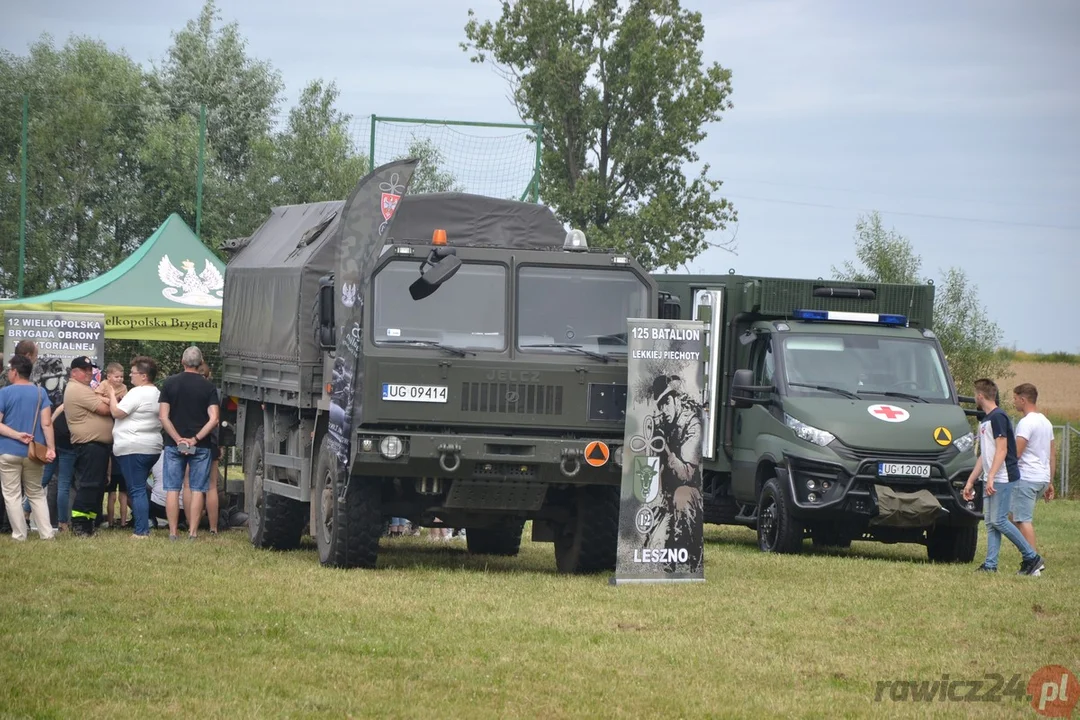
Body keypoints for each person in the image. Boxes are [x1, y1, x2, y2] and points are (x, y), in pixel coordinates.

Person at [962, 378, 1044, 575]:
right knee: (991, 522)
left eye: (975, 394)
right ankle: (991, 565)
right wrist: (971, 480)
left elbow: (1002, 449)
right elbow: (985, 454)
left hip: (1004, 477)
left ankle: (1032, 558)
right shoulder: (987, 420)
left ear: (980, 396)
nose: (975, 397)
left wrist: (991, 476)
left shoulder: (999, 417)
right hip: (992, 477)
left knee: (999, 520)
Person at [159, 346, 219, 541]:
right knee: (198, 489)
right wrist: (195, 439)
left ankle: (173, 532)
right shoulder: (208, 387)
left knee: (172, 488)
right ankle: (193, 533)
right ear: (201, 363)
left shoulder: (169, 383)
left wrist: (178, 439)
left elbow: (163, 416)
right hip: (200, 445)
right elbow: (214, 419)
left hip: (173, 444)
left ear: (181, 362)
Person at [0, 354, 56, 540]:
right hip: (34, 452)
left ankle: (19, 535)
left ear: (15, 372)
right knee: (36, 493)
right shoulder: (41, 393)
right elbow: (47, 423)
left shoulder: (4, 393)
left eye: (10, 370)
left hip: (8, 450)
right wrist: (51, 448)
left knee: (12, 495)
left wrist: (17, 435)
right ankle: (47, 534)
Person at [106, 356, 162, 539]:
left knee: (136, 489)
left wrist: (111, 394)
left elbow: (116, 412)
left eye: (133, 373)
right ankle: (145, 523)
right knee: (141, 487)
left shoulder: (137, 392)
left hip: (133, 446)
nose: (130, 376)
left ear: (144, 376)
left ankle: (141, 531)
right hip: (151, 447)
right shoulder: (157, 393)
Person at [64, 356, 114, 536]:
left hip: (96, 446)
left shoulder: (84, 388)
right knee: (89, 484)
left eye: (90, 369)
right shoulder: (78, 389)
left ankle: (89, 523)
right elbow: (106, 410)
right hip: (89, 445)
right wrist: (112, 399)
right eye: (84, 370)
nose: (88, 373)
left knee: (96, 485)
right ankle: (79, 524)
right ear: (74, 372)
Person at [1010, 383, 1056, 554]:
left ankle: (1033, 561)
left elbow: (1017, 453)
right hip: (1041, 478)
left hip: (1027, 477)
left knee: (1022, 520)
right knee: (1011, 515)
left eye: (1015, 399)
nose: (1014, 402)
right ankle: (1027, 553)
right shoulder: (1046, 422)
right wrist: (1049, 481)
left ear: (1023, 399)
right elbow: (1052, 455)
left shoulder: (1026, 422)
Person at [98, 363, 129, 528]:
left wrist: (113, 403)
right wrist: (111, 400)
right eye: (116, 376)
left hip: (116, 430)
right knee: (112, 494)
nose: (120, 379)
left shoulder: (124, 388)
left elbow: (123, 404)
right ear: (108, 377)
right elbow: (95, 397)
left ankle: (123, 521)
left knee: (122, 493)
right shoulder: (103, 385)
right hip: (110, 428)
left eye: (121, 376)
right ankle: (110, 521)